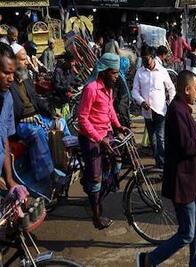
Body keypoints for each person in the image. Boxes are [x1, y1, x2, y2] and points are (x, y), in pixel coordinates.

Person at [136, 70, 196, 267]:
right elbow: (187, 147)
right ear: (186, 89)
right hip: (182, 182)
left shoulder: (183, 109)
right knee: (187, 233)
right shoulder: (177, 111)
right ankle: (148, 260)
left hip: (192, 179)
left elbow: (190, 141)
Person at [78, 53, 127, 230]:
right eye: (114, 73)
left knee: (118, 163)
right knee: (96, 177)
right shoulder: (91, 88)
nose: (116, 76)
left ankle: (97, 194)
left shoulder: (108, 88)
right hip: (90, 137)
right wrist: (99, 139)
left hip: (106, 133)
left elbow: (110, 109)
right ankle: (96, 216)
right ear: (104, 71)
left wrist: (119, 126)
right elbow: (82, 119)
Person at [9, 44, 70, 183]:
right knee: (38, 133)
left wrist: (52, 113)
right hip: (21, 124)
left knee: (61, 122)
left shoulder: (26, 78)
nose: (27, 62)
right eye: (23, 59)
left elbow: (36, 99)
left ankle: (67, 159)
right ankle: (47, 175)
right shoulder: (8, 83)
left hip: (36, 117)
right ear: (14, 61)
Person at [132, 45, 176, 169]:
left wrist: (171, 104)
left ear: (152, 58)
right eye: (143, 60)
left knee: (161, 138)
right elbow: (135, 91)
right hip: (147, 112)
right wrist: (141, 102)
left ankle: (163, 164)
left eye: (147, 60)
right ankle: (159, 162)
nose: (145, 63)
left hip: (161, 110)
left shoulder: (162, 71)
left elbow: (171, 88)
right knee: (153, 140)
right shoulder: (140, 73)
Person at [0, 42, 29, 199]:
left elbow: (4, 140)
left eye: (13, 73)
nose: (11, 78)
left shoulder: (7, 98)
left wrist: (10, 180)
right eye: (6, 73)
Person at [113, 56, 132, 127]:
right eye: (127, 66)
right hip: (121, 112)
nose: (128, 68)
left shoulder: (121, 76)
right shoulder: (118, 78)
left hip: (122, 110)